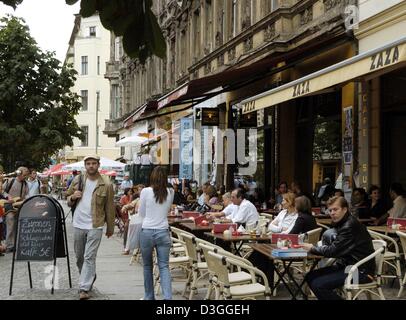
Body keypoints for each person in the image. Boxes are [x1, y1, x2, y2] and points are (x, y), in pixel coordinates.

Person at [301, 196, 375, 300]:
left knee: (318, 285)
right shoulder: (342, 222)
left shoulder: (349, 225)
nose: (332, 213)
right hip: (347, 267)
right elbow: (336, 246)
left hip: (360, 272)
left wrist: (312, 248)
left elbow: (333, 251)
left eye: (335, 209)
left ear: (345, 209)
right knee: (310, 276)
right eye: (330, 210)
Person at [66, 155, 115, 300]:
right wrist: (73, 197)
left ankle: (84, 288)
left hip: (96, 224)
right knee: (80, 257)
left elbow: (110, 207)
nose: (91, 166)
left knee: (89, 257)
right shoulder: (78, 180)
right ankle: (89, 276)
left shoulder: (106, 183)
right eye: (88, 163)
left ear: (98, 165)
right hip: (78, 223)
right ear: (85, 165)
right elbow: (68, 198)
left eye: (94, 163)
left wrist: (110, 228)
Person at [139, 166, 174, 300]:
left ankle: (149, 297)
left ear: (152, 177)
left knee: (147, 266)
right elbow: (167, 210)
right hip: (163, 231)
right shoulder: (170, 191)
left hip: (147, 231)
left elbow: (141, 213)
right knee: (164, 266)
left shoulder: (145, 191)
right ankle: (167, 298)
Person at [2, 167, 29, 252]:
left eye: (26, 175)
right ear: (19, 174)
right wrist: (7, 196)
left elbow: (26, 195)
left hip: (19, 206)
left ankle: (15, 244)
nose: (25, 177)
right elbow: (2, 190)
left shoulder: (25, 184)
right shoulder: (10, 181)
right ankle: (9, 245)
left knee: (18, 225)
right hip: (9, 206)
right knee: (10, 225)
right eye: (24, 175)